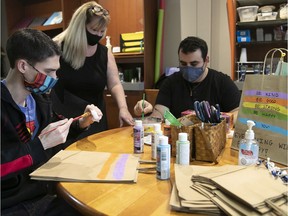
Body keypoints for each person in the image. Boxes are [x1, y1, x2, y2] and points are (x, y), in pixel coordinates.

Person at [1, 28, 103, 215]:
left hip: (42, 192)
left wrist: (80, 123)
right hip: (10, 204)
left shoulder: (39, 100)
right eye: (49, 71)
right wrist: (40, 145)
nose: (55, 79)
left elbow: (52, 131)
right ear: (23, 66)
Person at [51, 1, 134, 140]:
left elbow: (114, 84)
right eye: (94, 30)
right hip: (66, 121)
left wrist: (123, 108)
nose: (98, 35)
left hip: (95, 119)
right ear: (80, 27)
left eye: (102, 31)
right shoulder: (58, 47)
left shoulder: (104, 53)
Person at [134, 36, 240, 119]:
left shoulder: (222, 82)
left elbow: (239, 113)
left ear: (206, 60)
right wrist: (148, 109)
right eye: (183, 64)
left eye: (194, 64)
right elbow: (160, 113)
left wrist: (220, 120)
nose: (188, 68)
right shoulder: (170, 82)